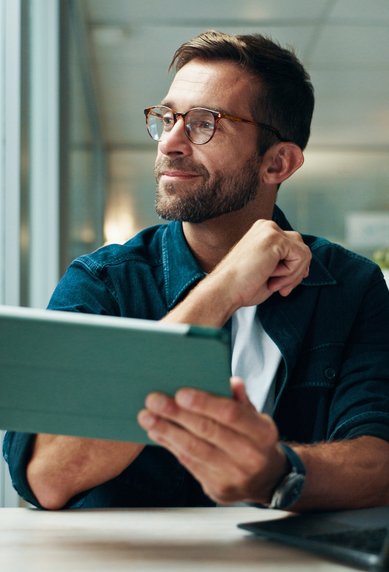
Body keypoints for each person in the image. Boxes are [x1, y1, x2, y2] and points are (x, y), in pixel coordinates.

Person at [4, 30, 389, 512]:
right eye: (166, 118)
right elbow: (44, 476)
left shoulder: (351, 286)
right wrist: (221, 291)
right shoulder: (104, 282)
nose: (170, 142)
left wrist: (273, 471)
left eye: (205, 123)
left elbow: (379, 462)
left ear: (278, 163)